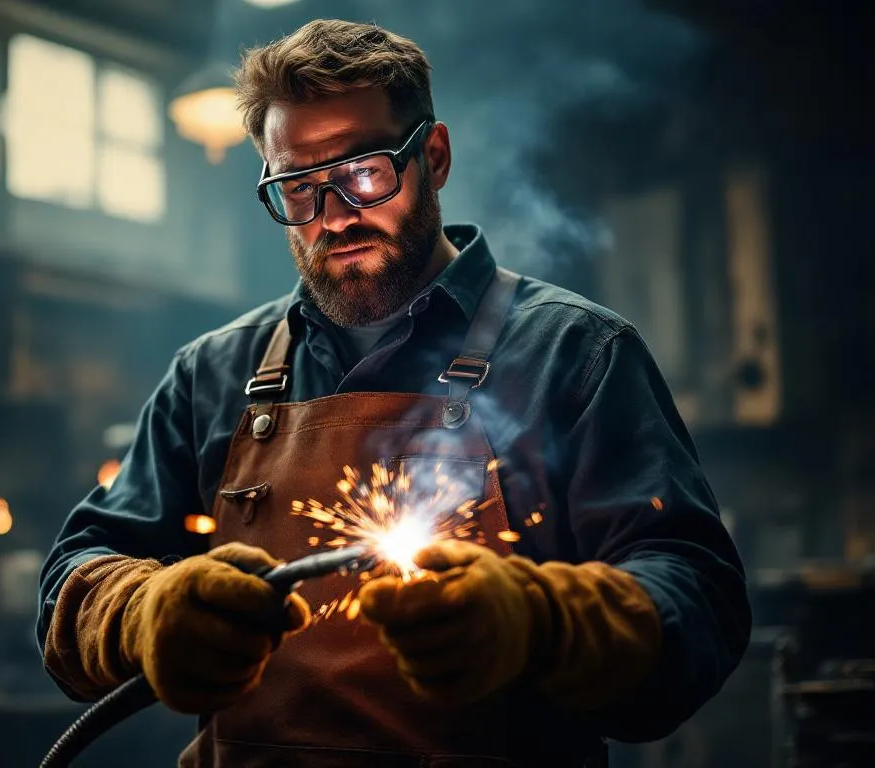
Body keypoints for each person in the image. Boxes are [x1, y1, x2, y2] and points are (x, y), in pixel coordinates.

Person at [37, 18, 750, 768]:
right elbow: (75, 575)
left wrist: (542, 623)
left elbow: (698, 599)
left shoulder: (574, 355)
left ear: (432, 158)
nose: (336, 216)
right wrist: (142, 613)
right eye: (300, 188)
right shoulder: (212, 375)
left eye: (365, 171)